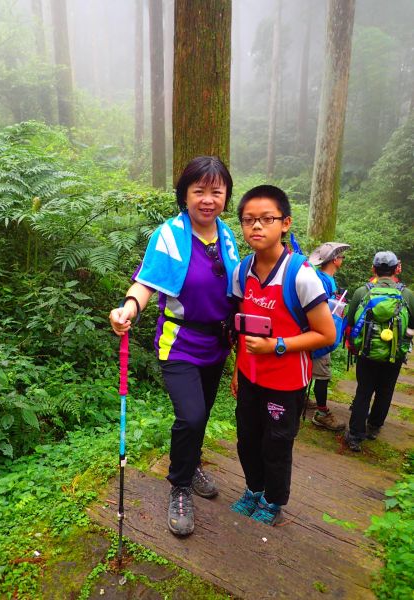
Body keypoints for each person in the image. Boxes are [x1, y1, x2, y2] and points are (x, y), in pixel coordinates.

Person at [109, 156, 240, 537]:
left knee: (204, 412)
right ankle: (179, 485)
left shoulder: (228, 235)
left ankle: (192, 460)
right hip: (180, 343)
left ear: (226, 195)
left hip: (218, 343)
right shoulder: (168, 235)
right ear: (184, 195)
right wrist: (128, 308)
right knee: (192, 416)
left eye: (216, 191)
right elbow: (146, 283)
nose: (208, 199)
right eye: (199, 191)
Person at [229, 185, 336, 525]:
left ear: (285, 223)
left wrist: (277, 345)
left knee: (276, 443)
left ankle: (273, 501)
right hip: (249, 376)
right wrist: (237, 369)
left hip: (286, 382)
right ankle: (254, 490)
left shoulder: (301, 275)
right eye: (248, 220)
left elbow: (326, 333)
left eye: (266, 219)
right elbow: (241, 329)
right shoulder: (241, 270)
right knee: (247, 438)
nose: (256, 227)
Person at [345, 251, 414, 452]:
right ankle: (374, 427)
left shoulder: (362, 292)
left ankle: (355, 436)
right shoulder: (407, 295)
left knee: (363, 391)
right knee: (386, 390)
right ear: (397, 269)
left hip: (366, 352)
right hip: (394, 354)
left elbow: (350, 322)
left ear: (374, 269)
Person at [307, 242, 350, 431]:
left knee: (308, 368)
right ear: (335, 259)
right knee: (322, 375)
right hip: (320, 335)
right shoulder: (323, 280)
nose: (342, 260)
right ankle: (322, 413)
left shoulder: (323, 278)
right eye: (342, 257)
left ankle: (301, 399)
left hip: (316, 333)